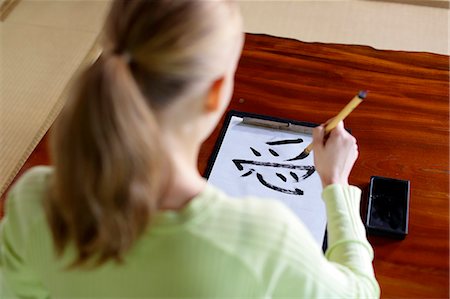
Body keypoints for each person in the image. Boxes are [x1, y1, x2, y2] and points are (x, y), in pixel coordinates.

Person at [0, 0, 380, 298]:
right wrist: (335, 184)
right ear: (216, 92)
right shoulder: (260, 240)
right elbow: (359, 293)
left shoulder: (34, 200)